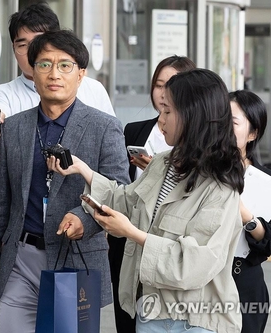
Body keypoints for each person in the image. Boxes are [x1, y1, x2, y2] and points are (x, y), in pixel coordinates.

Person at [49, 68, 245, 332]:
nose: (160, 120)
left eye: (168, 111)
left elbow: (194, 266)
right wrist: (82, 168)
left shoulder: (220, 186)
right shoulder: (164, 163)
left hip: (197, 321)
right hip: (151, 312)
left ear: (193, 117)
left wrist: (131, 233)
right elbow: (125, 201)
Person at [0, 30, 130, 333]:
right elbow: (0, 199)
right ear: (32, 71)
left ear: (81, 74)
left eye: (65, 65)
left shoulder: (104, 127)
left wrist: (86, 219)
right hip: (20, 257)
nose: (54, 73)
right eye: (44, 64)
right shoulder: (15, 127)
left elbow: (118, 190)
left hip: (75, 257)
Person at [110, 55, 196, 332]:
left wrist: (158, 172)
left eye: (170, 85)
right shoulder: (135, 129)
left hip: (167, 241)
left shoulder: (193, 138)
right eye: (159, 85)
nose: (162, 94)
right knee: (127, 313)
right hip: (128, 231)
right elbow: (121, 180)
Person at [0, 2, 115, 144]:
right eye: (22, 45)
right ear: (13, 49)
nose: (30, 52)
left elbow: (111, 136)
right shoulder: (3, 94)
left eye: (38, 43)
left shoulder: (94, 89)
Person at [229, 90, 271, 333]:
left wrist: (248, 218)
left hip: (243, 283)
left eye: (232, 122)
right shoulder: (199, 172)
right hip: (200, 281)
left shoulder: (269, 184)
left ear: (252, 133)